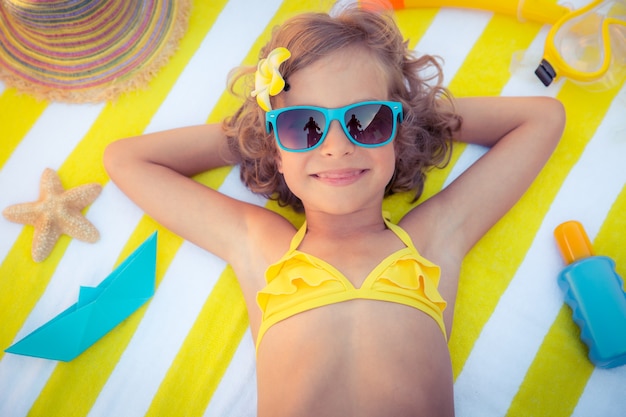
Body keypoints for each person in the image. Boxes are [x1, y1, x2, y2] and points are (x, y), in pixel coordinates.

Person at [103, 6, 565, 417]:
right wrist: (256, 131)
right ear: (275, 146)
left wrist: (414, 112)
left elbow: (544, 118)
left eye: (367, 121)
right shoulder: (260, 244)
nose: (337, 147)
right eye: (305, 126)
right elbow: (126, 159)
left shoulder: (434, 238)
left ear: (398, 131)